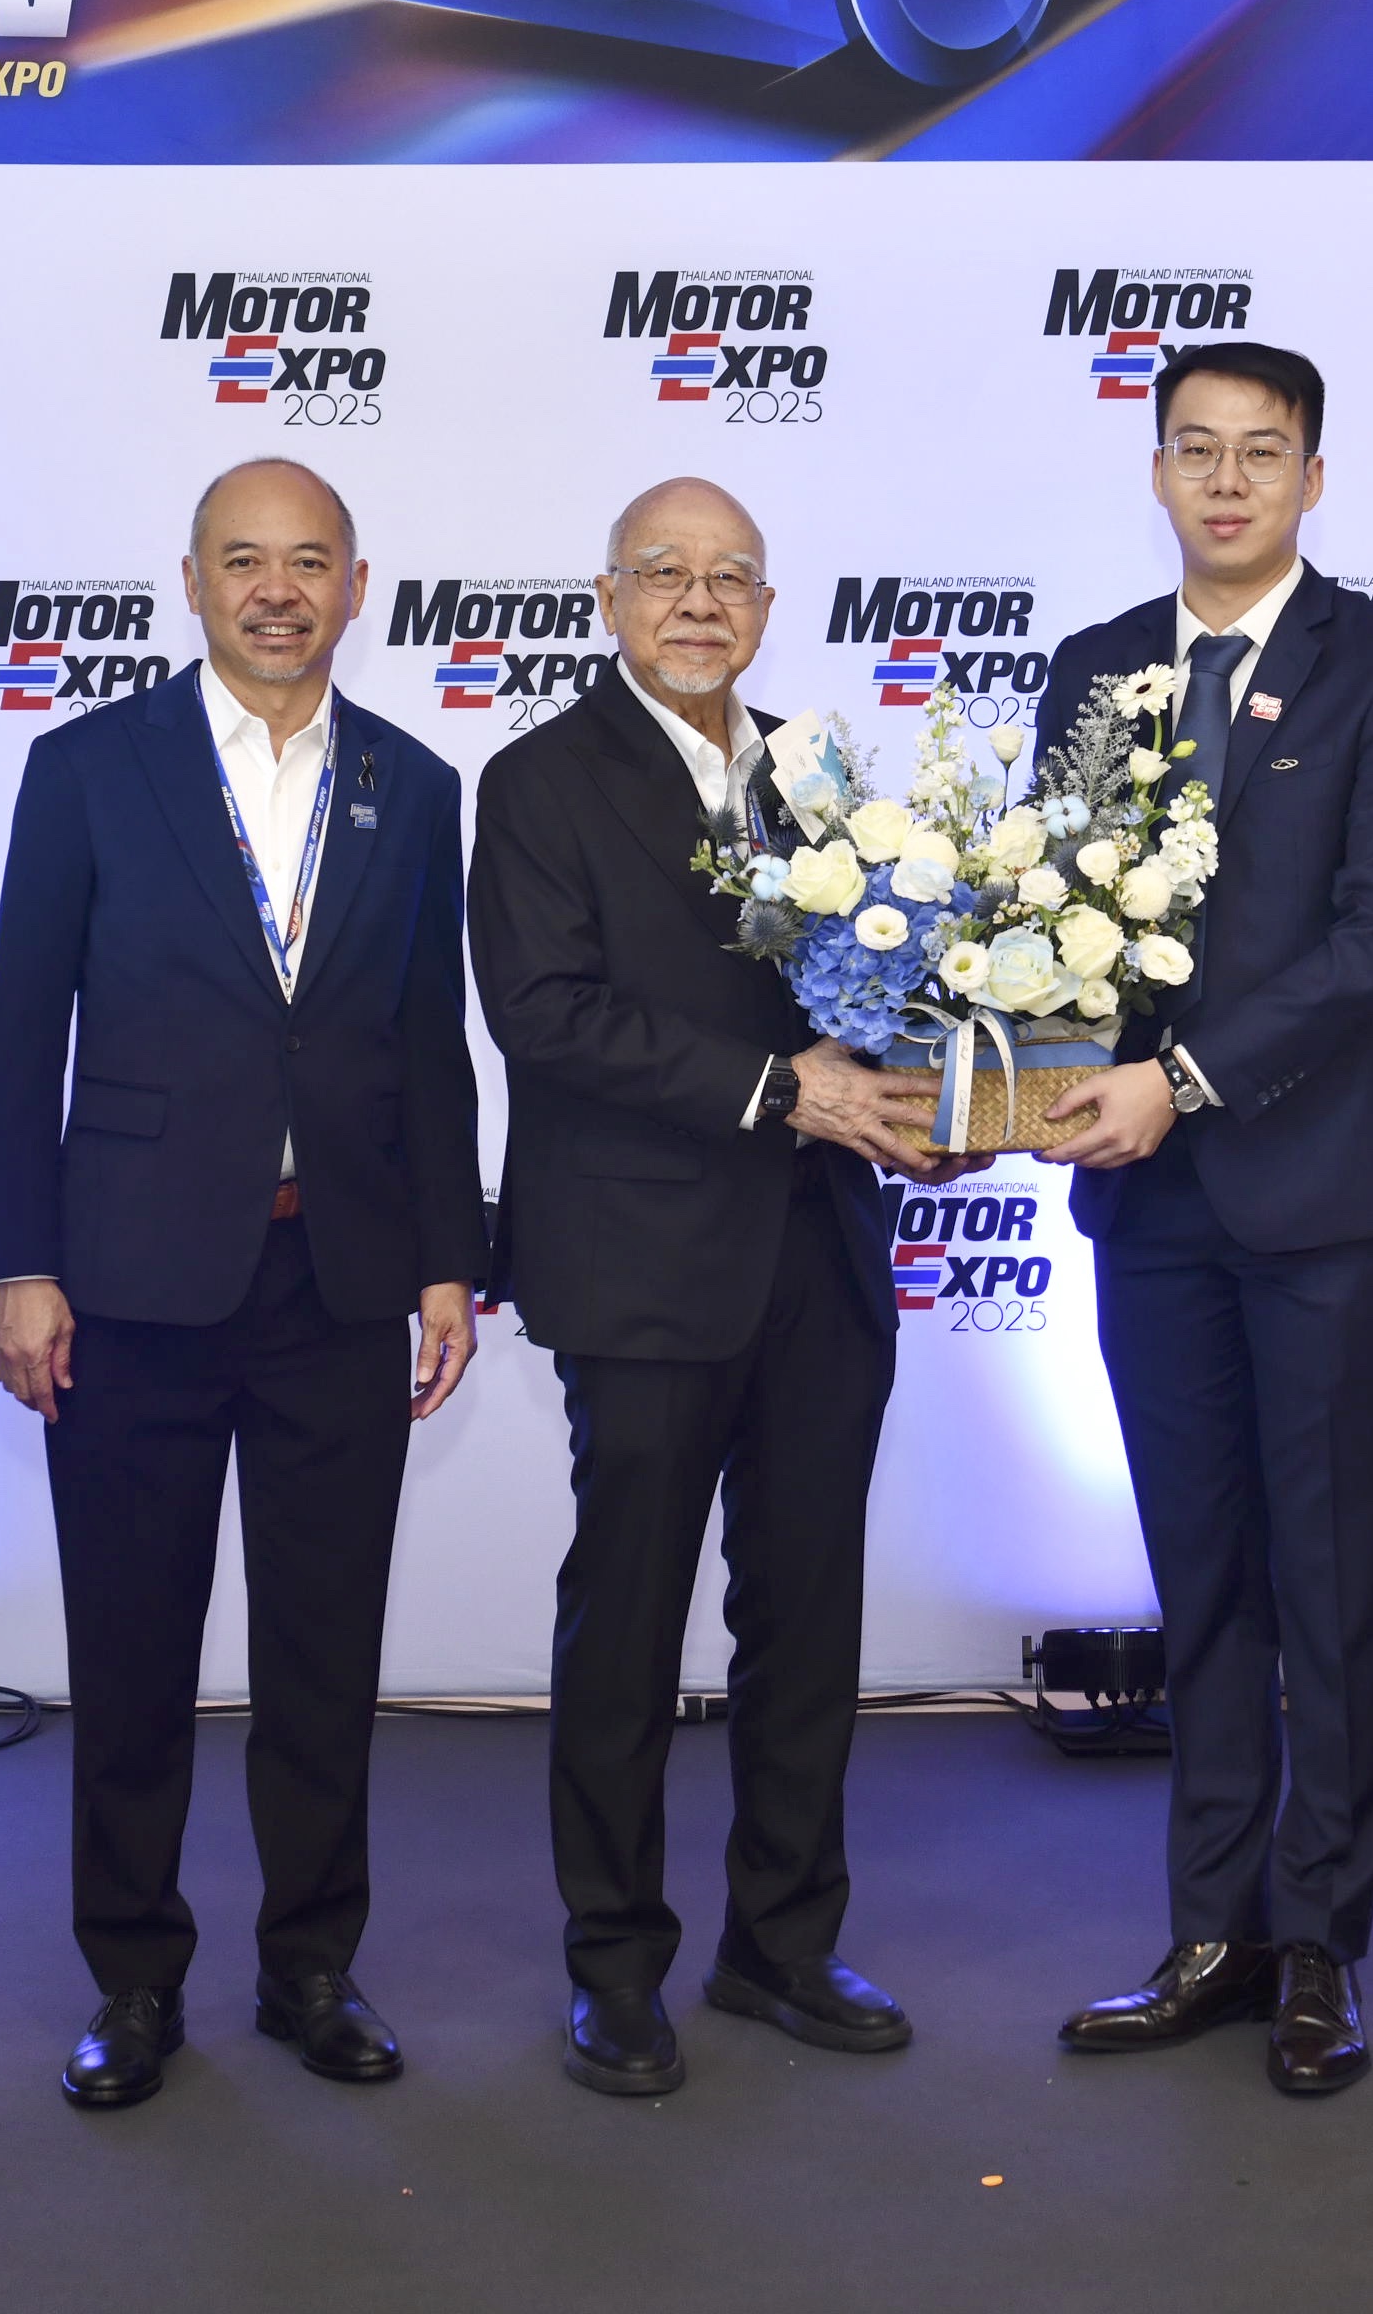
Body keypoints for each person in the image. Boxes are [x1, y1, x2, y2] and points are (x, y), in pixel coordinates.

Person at [0, 458, 485, 2110]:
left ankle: (311, 1967)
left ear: (358, 589)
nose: (278, 590)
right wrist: (22, 1259)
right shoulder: (86, 768)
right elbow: (20, 1030)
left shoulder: (414, 783)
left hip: (337, 1277)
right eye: (244, 561)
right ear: (191, 584)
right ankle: (133, 1982)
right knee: (132, 1653)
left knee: (324, 1658)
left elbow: (428, 1046)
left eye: (310, 562)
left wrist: (449, 1260)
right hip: (126, 1282)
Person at [468, 478, 949, 2099]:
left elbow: (877, 999)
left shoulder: (819, 778)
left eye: (731, 577)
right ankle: (614, 1966)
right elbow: (547, 1013)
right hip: (640, 1267)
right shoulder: (538, 781)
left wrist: (933, 1107)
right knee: (626, 1630)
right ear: (609, 599)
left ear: (766, 605)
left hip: (821, 1259)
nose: (698, 602)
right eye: (664, 574)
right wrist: (780, 1091)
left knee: (805, 1623)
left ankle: (782, 1944)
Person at [1034, 341, 1373, 2098]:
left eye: (1262, 453)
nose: (1227, 482)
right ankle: (1210, 1931)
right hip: (1151, 1209)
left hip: (1325, 1199)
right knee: (1202, 1578)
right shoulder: (1095, 668)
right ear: (1156, 469)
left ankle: (1321, 1947)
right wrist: (1017, 1074)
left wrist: (1185, 1078)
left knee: (1329, 1583)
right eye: (1197, 450)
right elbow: (1049, 919)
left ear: (1313, 477)